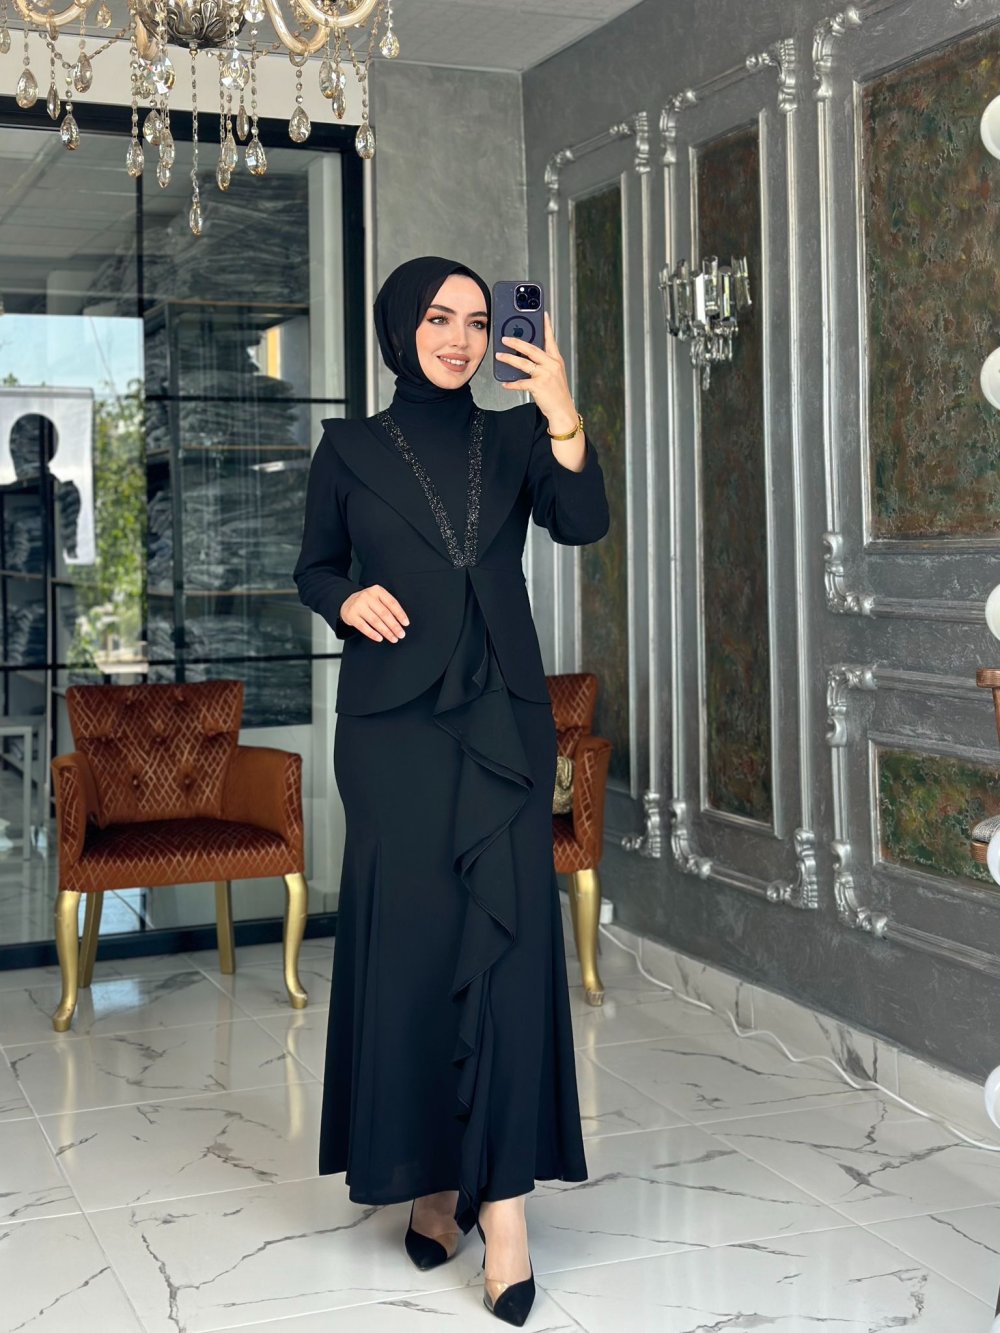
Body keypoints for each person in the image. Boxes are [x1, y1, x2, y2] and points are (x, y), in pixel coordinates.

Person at [293, 255, 610, 1326]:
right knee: (419, 953)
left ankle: (504, 1213)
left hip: (503, 726)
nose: (461, 337)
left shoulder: (517, 438)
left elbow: (582, 520)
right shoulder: (346, 448)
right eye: (439, 317)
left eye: (478, 321)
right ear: (400, 327)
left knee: (508, 953)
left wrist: (560, 408)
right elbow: (313, 566)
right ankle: (434, 1181)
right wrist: (346, 602)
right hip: (392, 732)